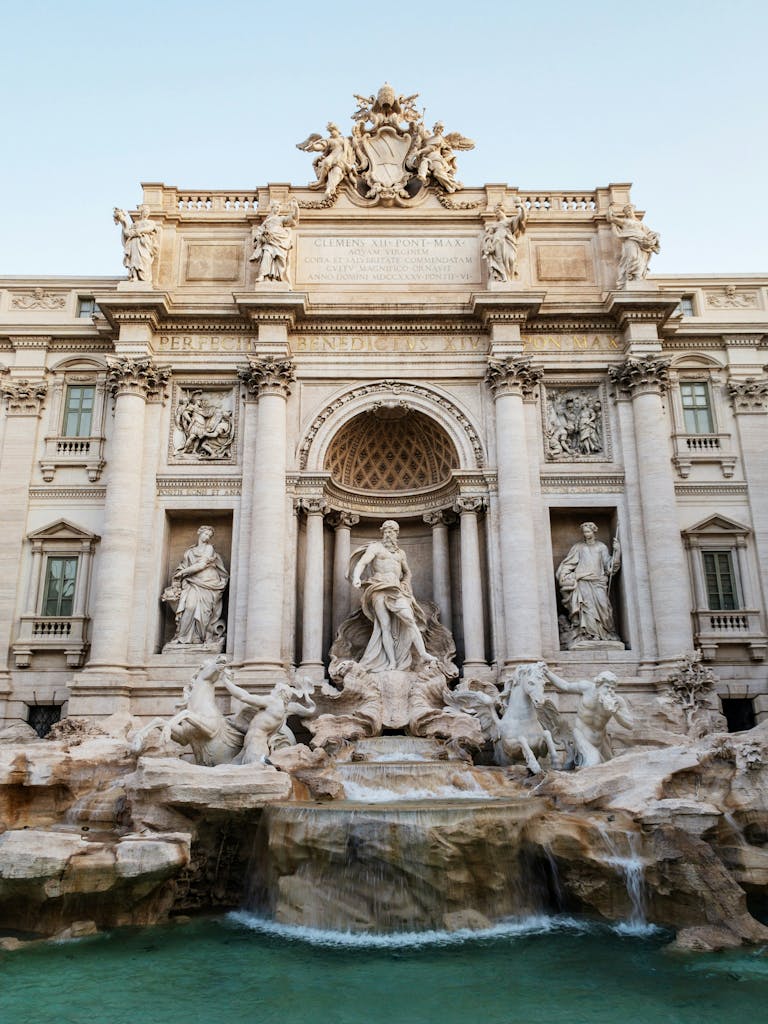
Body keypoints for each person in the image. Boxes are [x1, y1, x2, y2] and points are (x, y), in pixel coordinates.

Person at [350, 520, 437, 672]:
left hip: (396, 589)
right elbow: (362, 563)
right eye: (386, 531)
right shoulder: (375, 547)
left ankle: (423, 653)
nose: (388, 534)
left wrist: (405, 584)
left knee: (410, 619)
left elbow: (407, 573)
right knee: (385, 626)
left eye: (392, 531)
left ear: (397, 534)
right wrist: (356, 577)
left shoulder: (400, 553)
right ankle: (391, 662)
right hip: (378, 587)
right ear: (382, 532)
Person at [542, 666, 633, 766]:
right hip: (581, 736)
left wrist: (615, 712)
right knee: (593, 763)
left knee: (610, 767)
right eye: (607, 687)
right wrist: (547, 672)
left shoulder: (617, 701)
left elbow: (630, 725)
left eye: (612, 688)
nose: (610, 691)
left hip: (601, 741)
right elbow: (565, 686)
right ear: (598, 685)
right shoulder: (586, 688)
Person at [556, 522, 621, 645]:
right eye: (584, 532)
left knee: (604, 608)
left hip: (598, 582)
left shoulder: (601, 547)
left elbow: (609, 566)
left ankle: (605, 633)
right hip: (583, 582)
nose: (586, 534)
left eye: (588, 531)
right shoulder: (578, 547)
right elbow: (568, 564)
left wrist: (617, 552)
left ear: (594, 531)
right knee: (587, 609)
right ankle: (590, 635)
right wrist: (565, 575)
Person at [165, 526, 229, 646]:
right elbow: (183, 566)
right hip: (192, 582)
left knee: (205, 612)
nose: (207, 537)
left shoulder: (209, 548)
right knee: (190, 607)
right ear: (199, 533)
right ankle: (182, 637)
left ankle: (198, 638)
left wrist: (183, 573)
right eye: (205, 534)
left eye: (209, 536)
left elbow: (201, 565)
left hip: (209, 583)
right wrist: (179, 574)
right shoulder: (190, 552)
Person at [606, 203, 660, 288]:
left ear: (633, 211)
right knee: (632, 256)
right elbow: (611, 218)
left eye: (630, 210)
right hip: (630, 240)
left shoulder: (640, 223)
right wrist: (610, 208)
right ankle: (630, 275)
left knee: (640, 260)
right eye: (627, 211)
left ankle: (637, 277)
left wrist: (655, 236)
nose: (629, 212)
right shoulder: (625, 221)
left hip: (641, 241)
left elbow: (649, 232)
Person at [250, 198, 299, 282]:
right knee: (266, 255)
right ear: (272, 208)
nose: (278, 209)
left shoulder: (281, 219)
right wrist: (260, 237)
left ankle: (278, 276)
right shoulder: (266, 221)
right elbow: (259, 232)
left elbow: (294, 218)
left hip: (280, 241)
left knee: (280, 259)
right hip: (269, 241)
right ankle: (262, 275)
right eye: (276, 207)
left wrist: (296, 208)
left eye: (279, 208)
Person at [481, 201, 527, 282]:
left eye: (498, 211)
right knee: (499, 260)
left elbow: (521, 218)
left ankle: (510, 277)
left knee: (511, 259)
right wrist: (489, 241)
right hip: (497, 242)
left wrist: (522, 208)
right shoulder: (495, 225)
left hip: (507, 242)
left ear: (502, 211)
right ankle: (503, 276)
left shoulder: (510, 220)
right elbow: (488, 235)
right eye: (496, 212)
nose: (497, 214)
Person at [113, 204, 160, 282]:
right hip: (135, 242)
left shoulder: (151, 222)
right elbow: (128, 232)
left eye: (148, 211)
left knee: (145, 259)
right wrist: (123, 221)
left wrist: (139, 231)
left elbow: (150, 228)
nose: (146, 213)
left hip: (144, 244)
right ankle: (134, 276)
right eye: (145, 211)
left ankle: (143, 277)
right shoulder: (136, 223)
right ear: (142, 212)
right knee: (135, 259)